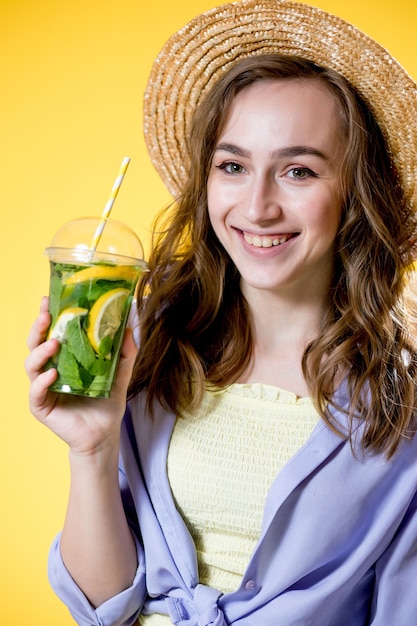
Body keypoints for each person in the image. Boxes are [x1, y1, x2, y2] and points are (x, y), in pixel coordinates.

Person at [25, 0, 417, 624]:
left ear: (354, 191)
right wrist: (92, 449)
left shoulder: (401, 409)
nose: (256, 207)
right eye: (232, 166)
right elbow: (102, 610)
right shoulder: (152, 340)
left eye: (297, 170)